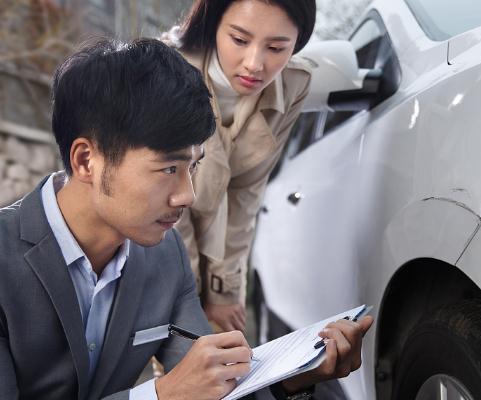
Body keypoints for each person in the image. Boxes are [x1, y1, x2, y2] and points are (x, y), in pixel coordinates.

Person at [0, 38, 373, 400]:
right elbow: (179, 393)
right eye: (168, 168)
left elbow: (214, 386)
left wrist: (298, 376)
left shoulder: (165, 255)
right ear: (86, 161)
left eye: (193, 166)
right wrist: (161, 395)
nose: (187, 195)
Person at [164, 0, 316, 333]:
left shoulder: (293, 84)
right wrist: (188, 299)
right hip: (157, 234)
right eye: (239, 40)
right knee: (181, 347)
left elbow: (247, 192)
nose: (254, 64)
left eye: (276, 47)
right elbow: (168, 201)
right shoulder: (168, 66)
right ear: (214, 23)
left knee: (226, 353)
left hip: (217, 237)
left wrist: (224, 290)